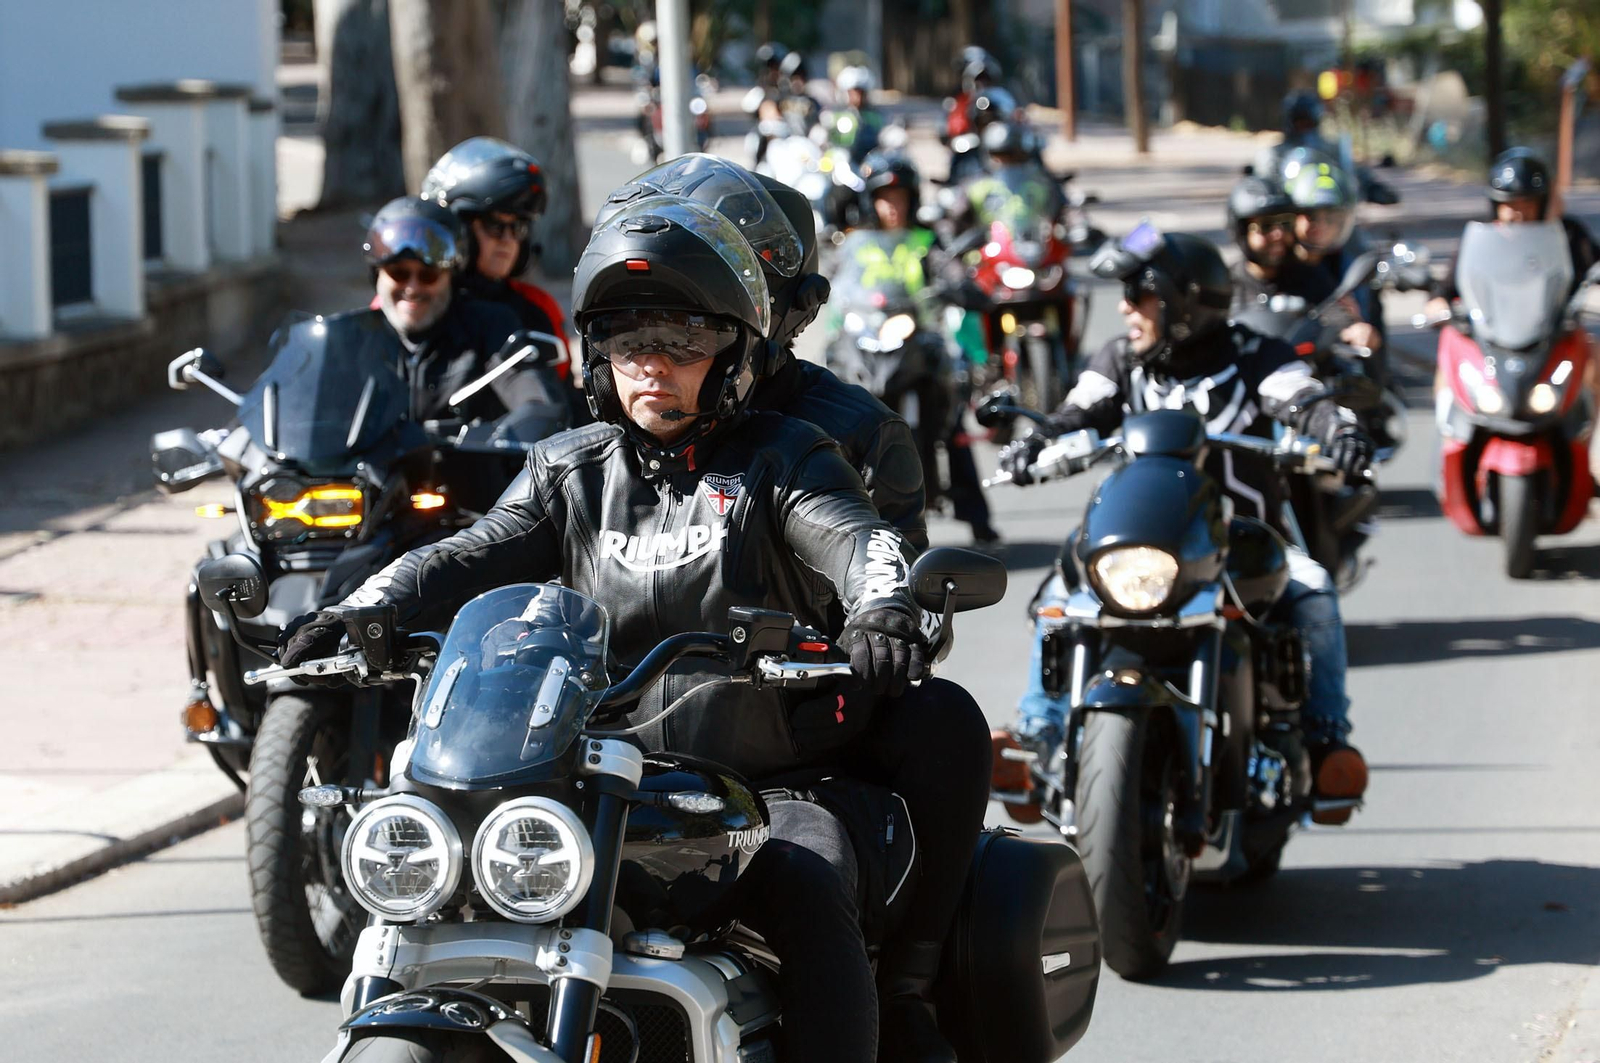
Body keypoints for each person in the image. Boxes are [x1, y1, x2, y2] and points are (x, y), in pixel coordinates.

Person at [282, 194, 988, 1063]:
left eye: (682, 345)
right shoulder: (567, 469)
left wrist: (881, 604)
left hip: (773, 787)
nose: (653, 366)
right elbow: (471, 551)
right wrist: (364, 607)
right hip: (600, 777)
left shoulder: (785, 456)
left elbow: (858, 536)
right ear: (598, 356)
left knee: (802, 881)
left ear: (732, 352)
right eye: (629, 344)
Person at [991, 227, 1372, 822]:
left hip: (1244, 538)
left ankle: (1327, 744)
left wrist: (1337, 429)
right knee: (1060, 596)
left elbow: (1301, 397)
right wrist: (1035, 440)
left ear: (1185, 301)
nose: (1125, 308)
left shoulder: (1254, 355)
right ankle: (1036, 733)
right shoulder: (1119, 360)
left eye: (1138, 295)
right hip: (1140, 541)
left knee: (1315, 591)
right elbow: (1078, 409)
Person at [855, 151, 1001, 546]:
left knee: (951, 422)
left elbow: (947, 266)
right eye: (884, 197)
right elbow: (840, 286)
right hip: (870, 342)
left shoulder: (925, 239)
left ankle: (978, 519)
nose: (892, 206)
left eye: (899, 197)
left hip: (922, 341)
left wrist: (961, 285)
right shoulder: (860, 244)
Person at [362, 196, 558, 425]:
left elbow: (535, 401)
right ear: (378, 276)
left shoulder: (490, 327)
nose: (412, 288)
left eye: (428, 275)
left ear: (450, 277)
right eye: (399, 273)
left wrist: (525, 422)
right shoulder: (358, 339)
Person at [420, 138, 579, 413]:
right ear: (458, 230)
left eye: (517, 228)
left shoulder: (536, 308)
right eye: (494, 226)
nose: (507, 240)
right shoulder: (420, 298)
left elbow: (557, 398)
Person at [1282, 151, 1385, 358]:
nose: (1320, 227)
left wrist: (1361, 331)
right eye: (1311, 216)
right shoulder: (1276, 262)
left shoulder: (1350, 265)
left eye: (1330, 219)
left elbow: (1354, 320)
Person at [824, 65, 886, 166]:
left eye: (861, 92)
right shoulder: (836, 115)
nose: (858, 97)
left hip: (870, 160)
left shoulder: (875, 116)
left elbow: (883, 132)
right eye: (853, 92)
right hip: (841, 160)